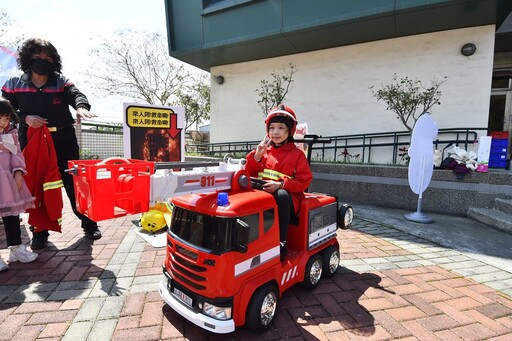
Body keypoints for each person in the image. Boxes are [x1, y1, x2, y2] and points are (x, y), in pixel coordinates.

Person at [1, 38, 102, 249]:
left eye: (47, 57)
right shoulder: (13, 84)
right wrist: (24, 118)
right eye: (37, 56)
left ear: (54, 61)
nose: (42, 60)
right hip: (31, 141)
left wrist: (81, 107)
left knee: (74, 183)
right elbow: (6, 111)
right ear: (28, 59)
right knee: (36, 185)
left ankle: (88, 222)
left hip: (63, 139)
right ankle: (39, 230)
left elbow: (76, 94)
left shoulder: (61, 81)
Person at [245, 104, 313, 259]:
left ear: (289, 131)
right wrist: (256, 156)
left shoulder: (297, 155)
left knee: (281, 195)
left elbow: (304, 182)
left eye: (281, 128)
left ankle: (281, 242)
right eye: (272, 128)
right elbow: (248, 173)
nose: (275, 132)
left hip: (287, 198)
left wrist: (282, 184)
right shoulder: (263, 151)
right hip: (263, 194)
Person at [0, 97, 38, 270]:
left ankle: (15, 249)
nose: (3, 122)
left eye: (7, 118)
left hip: (7, 179)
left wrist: (18, 171)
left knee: (12, 214)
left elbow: (17, 154)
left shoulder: (11, 133)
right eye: (0, 117)